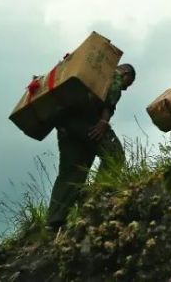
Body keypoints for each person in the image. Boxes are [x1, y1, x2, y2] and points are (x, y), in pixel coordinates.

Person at [45, 63, 136, 232]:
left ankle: (55, 219)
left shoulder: (87, 75)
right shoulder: (112, 75)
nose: (125, 88)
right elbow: (111, 98)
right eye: (128, 83)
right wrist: (103, 123)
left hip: (64, 126)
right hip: (88, 122)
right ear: (124, 72)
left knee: (73, 170)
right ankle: (99, 196)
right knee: (115, 155)